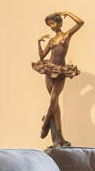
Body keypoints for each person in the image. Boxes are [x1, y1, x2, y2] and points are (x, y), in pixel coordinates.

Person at [33, 11, 84, 145]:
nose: (51, 26)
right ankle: (59, 136)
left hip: (61, 70)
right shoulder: (51, 41)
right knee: (55, 104)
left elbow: (80, 23)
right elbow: (42, 56)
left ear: (60, 23)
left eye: (53, 22)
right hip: (49, 69)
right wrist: (38, 42)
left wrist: (67, 13)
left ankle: (45, 124)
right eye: (49, 24)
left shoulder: (66, 35)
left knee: (53, 99)